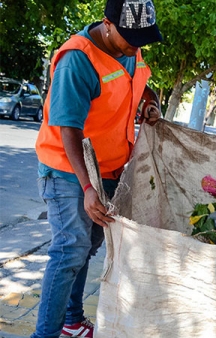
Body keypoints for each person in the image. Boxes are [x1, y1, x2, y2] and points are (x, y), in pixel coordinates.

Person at [33, 0, 163, 337]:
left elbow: (133, 81)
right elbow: (68, 128)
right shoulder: (77, 60)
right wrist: (88, 187)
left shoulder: (129, 48)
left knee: (86, 248)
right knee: (69, 252)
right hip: (67, 172)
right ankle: (45, 334)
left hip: (108, 170)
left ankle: (71, 321)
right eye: (129, 38)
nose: (135, 47)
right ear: (107, 23)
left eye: (141, 39)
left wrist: (150, 100)